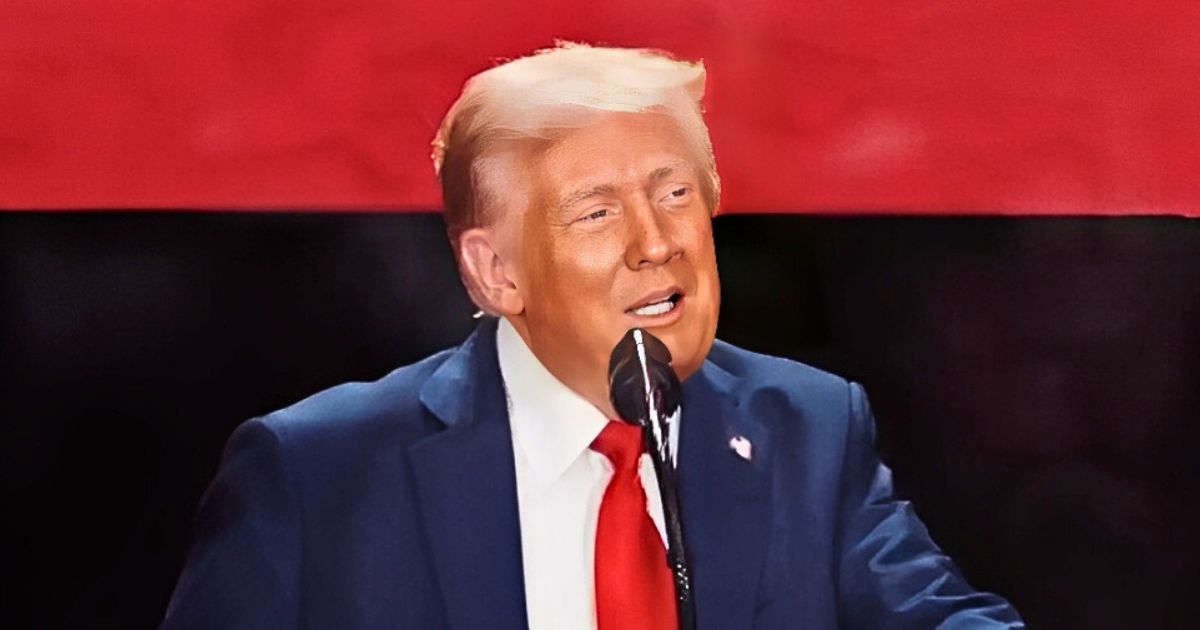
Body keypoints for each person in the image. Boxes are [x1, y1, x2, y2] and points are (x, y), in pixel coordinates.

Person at [162, 43, 1023, 629]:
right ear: (495, 272)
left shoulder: (806, 430)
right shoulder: (319, 475)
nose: (658, 242)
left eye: (677, 194)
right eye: (597, 212)